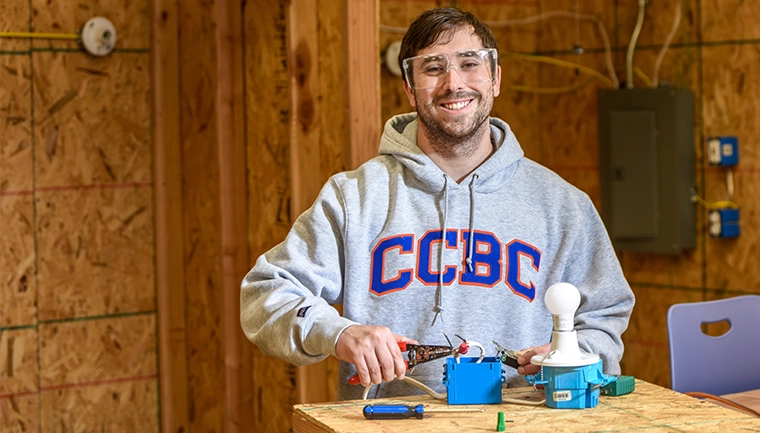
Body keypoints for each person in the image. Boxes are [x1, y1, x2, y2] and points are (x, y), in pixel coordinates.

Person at [240, 6, 635, 400]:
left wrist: (573, 353)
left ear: (495, 78)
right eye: (433, 68)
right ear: (410, 87)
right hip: (390, 428)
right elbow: (265, 295)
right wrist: (340, 332)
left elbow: (605, 317)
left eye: (469, 63)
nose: (454, 83)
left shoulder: (563, 205)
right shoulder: (355, 198)